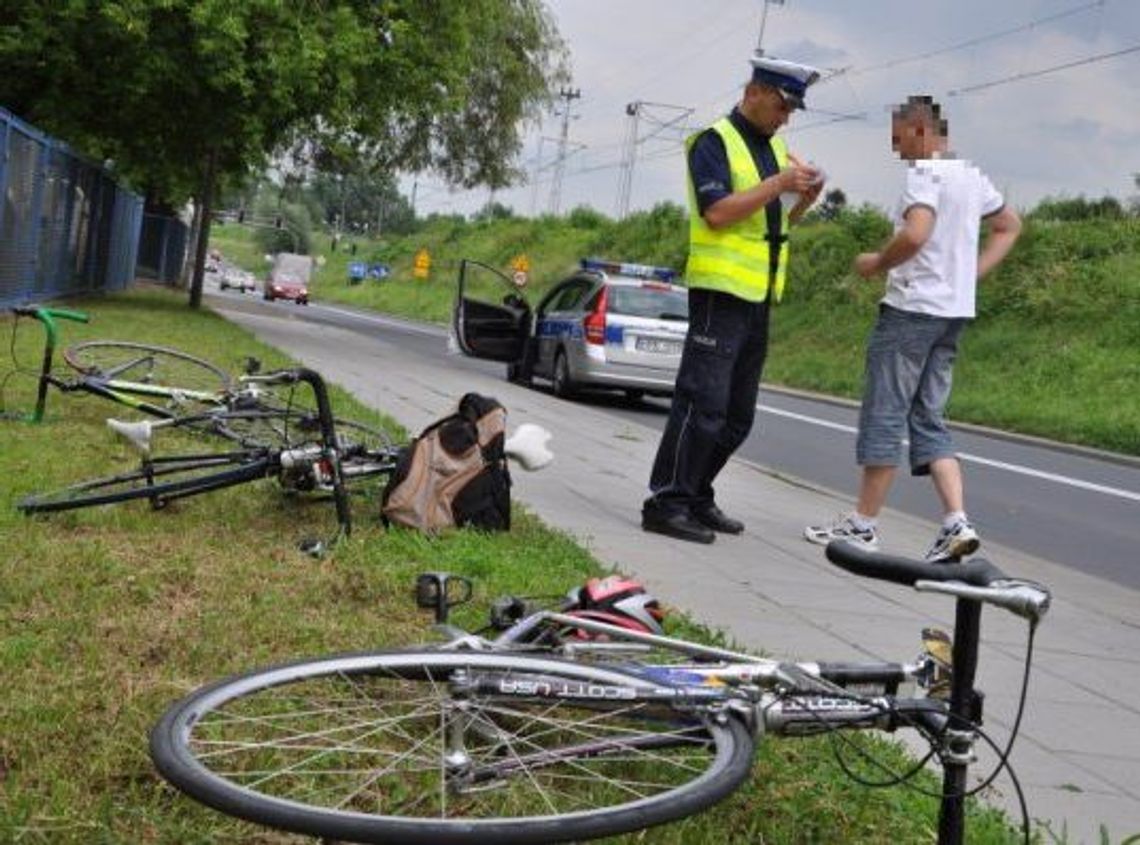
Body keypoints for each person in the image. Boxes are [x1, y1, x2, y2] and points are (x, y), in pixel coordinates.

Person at [804, 95, 1022, 561]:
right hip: (953, 314)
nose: (898, 149)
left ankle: (863, 526)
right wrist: (970, 275)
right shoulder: (972, 177)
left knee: (885, 410)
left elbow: (917, 232)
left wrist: (877, 261)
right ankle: (955, 523)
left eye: (899, 138)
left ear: (921, 131)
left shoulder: (925, 174)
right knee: (929, 415)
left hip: (912, 310)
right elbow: (1009, 226)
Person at [642, 55, 825, 544]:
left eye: (791, 110)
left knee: (736, 414)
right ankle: (666, 502)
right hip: (719, 294)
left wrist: (803, 197)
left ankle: (698, 494)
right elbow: (719, 212)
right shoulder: (713, 142)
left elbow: (774, 221)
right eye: (783, 105)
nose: (786, 117)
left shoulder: (775, 150)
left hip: (758, 294)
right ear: (754, 93)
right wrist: (778, 184)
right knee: (702, 403)